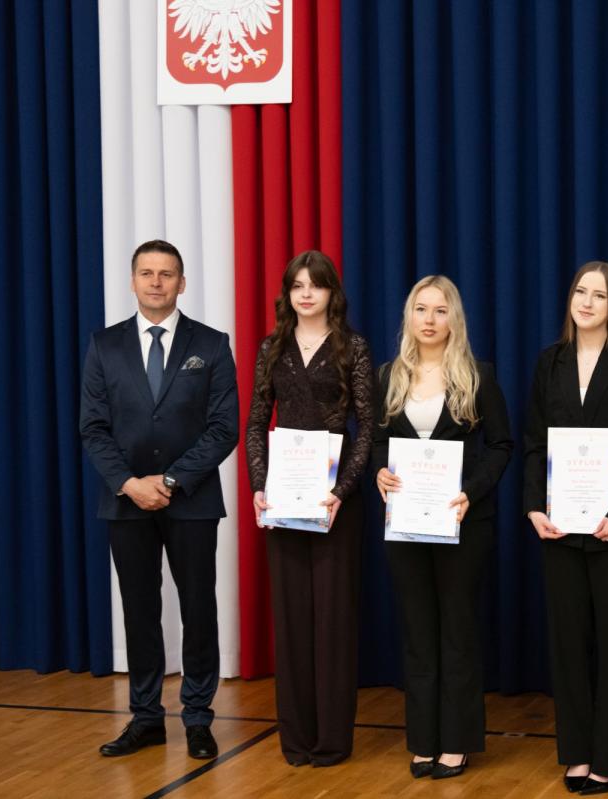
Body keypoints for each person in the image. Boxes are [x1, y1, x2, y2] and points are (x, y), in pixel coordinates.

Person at [80, 239, 238, 760]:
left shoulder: (211, 344)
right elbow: (93, 428)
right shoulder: (104, 345)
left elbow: (223, 428)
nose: (155, 282)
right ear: (132, 281)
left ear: (181, 283)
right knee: (139, 610)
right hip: (125, 502)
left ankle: (198, 717)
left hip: (191, 500)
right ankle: (146, 717)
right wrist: (130, 483)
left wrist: (168, 481)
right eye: (146, 273)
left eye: (166, 274)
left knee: (198, 608)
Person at [523, 261, 608, 796]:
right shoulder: (549, 362)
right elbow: (535, 443)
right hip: (559, 528)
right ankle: (577, 754)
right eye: (581, 291)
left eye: (599, 295)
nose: (586, 302)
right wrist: (534, 507)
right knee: (568, 647)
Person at [372, 275, 513, 780]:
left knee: (457, 632)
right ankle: (424, 741)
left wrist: (471, 491)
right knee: (417, 632)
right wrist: (379, 472)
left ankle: (456, 742)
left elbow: (501, 445)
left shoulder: (478, 375)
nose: (429, 320)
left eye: (439, 310)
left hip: (461, 522)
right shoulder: (388, 376)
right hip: (406, 525)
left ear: (454, 318)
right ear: (409, 317)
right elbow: (375, 442)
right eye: (420, 309)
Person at [245, 250, 374, 766]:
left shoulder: (352, 347)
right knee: (292, 618)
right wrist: (260, 485)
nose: (305, 294)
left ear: (330, 293)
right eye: (297, 285)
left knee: (333, 621)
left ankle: (332, 741)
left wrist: (341, 491)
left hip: (334, 502)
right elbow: (257, 421)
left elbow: (368, 426)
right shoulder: (271, 347)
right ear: (287, 294)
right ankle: (296, 740)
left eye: (314, 285)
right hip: (284, 498)